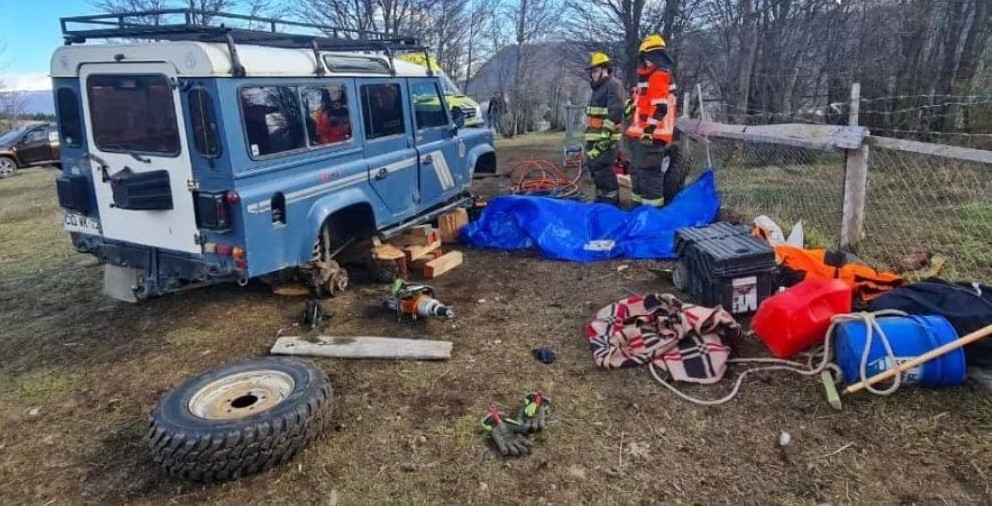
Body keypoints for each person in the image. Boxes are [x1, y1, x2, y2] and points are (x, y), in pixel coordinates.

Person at [625, 34, 682, 207]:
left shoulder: (658, 75)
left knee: (649, 175)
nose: (644, 62)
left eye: (646, 58)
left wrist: (649, 130)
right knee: (638, 173)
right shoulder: (649, 76)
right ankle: (638, 211)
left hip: (652, 135)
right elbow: (642, 103)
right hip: (643, 135)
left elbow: (660, 107)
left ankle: (651, 216)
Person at [583, 51, 625, 205]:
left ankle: (611, 205)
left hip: (606, 140)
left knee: (603, 171)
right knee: (595, 171)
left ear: (604, 69)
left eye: (595, 70)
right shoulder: (597, 88)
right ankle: (600, 201)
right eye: (591, 71)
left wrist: (605, 138)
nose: (592, 74)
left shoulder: (613, 85)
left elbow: (615, 111)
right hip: (594, 138)